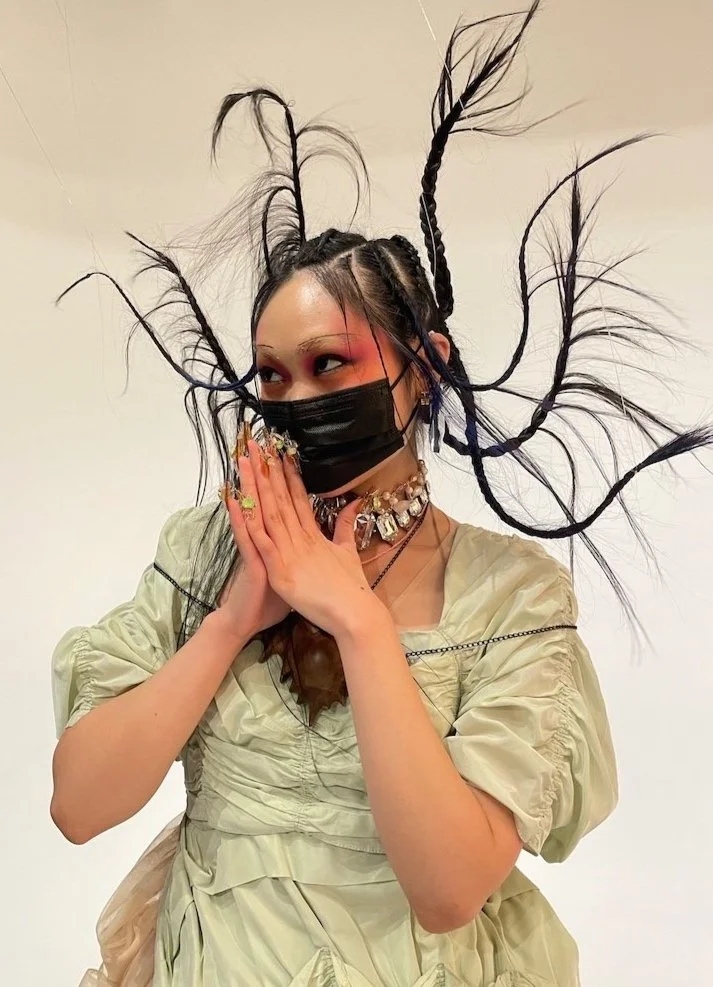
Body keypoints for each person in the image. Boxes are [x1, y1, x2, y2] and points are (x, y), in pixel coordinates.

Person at [49, 5, 711, 986]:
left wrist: (356, 623)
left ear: (424, 369)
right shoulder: (208, 551)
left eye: (330, 363)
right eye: (272, 376)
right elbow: (80, 806)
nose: (296, 400)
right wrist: (235, 617)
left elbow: (446, 888)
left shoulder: (509, 596)